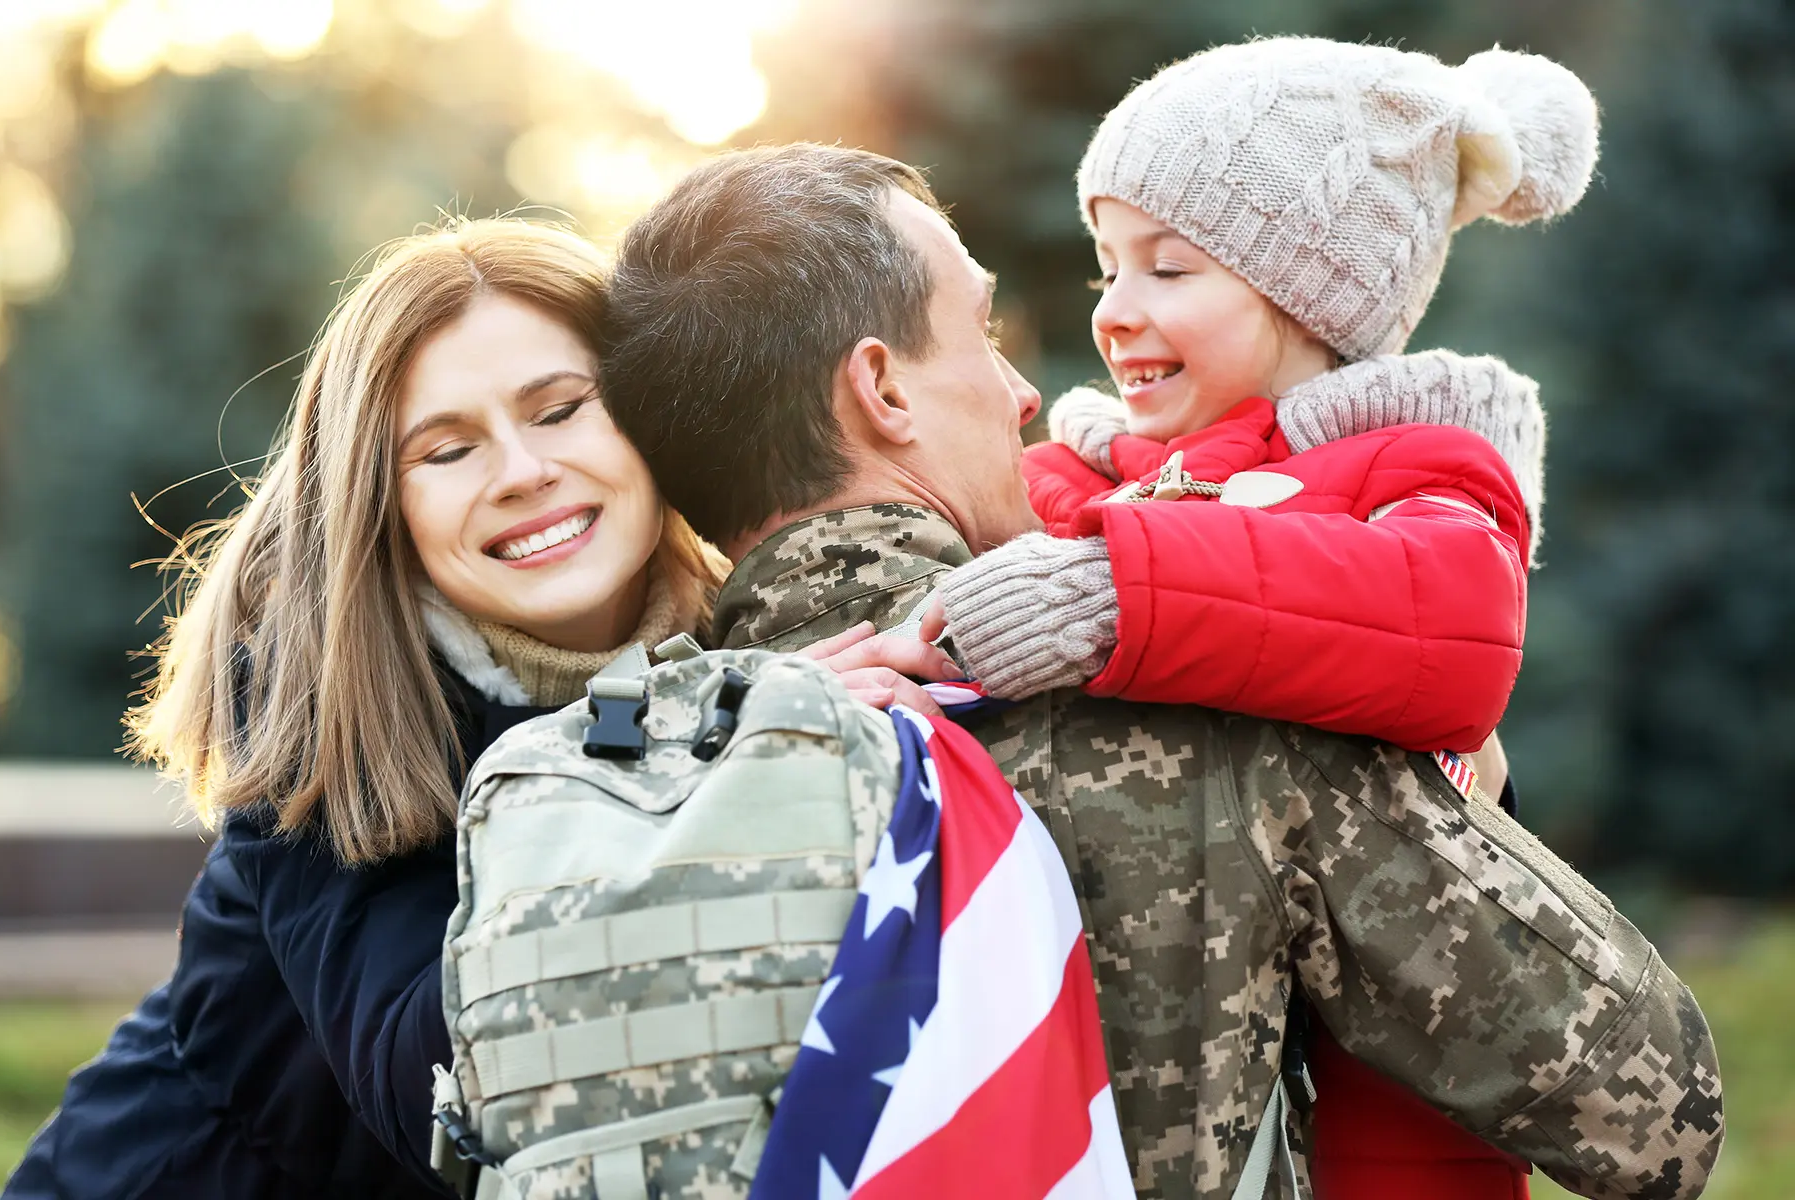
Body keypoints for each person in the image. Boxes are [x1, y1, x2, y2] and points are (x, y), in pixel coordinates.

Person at [598, 142, 1723, 1199]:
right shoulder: (1198, 698)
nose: (1023, 392)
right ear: (883, 391)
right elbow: (1656, 1115)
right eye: (982, 334)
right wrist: (1464, 776)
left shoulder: (620, 757)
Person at [2, 218, 945, 1199]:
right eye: (447, 451)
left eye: (562, 409)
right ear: (381, 501)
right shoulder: (317, 707)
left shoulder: (739, 646)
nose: (521, 472)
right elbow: (444, 1082)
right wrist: (721, 744)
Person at [915, 39, 1597, 1197]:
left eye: (1168, 270)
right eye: (1105, 270)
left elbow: (1452, 624)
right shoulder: (1067, 481)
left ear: (1311, 285)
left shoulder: (1421, 471)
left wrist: (1109, 594)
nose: (1117, 314)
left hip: (1362, 1130)